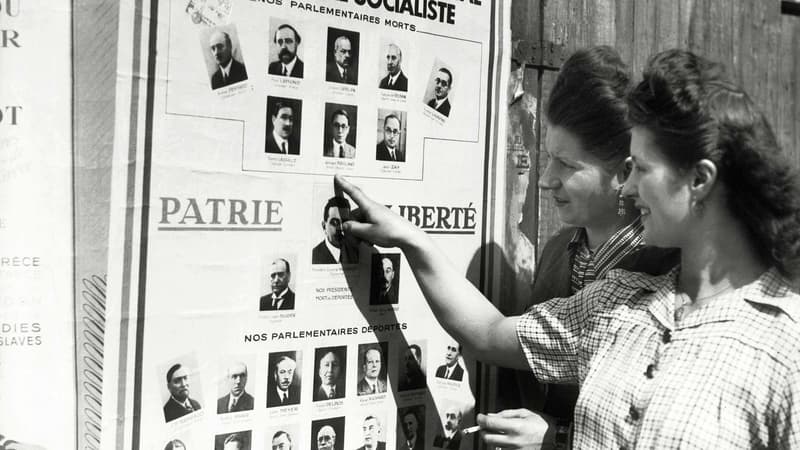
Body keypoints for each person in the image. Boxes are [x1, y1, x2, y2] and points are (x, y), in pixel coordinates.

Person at [334, 47, 800, 448]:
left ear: (698, 180)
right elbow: (490, 333)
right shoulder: (619, 301)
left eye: (640, 168)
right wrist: (410, 238)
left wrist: (554, 439)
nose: (630, 187)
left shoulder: (784, 343)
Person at [502, 45, 679, 431]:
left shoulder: (667, 271)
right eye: (549, 158)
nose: (546, 180)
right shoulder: (553, 252)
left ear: (624, 171)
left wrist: (559, 438)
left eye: (566, 164)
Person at [312, 196, 359, 264]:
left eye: (344, 222)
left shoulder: (356, 253)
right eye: (334, 222)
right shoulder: (314, 255)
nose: (340, 228)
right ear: (324, 226)